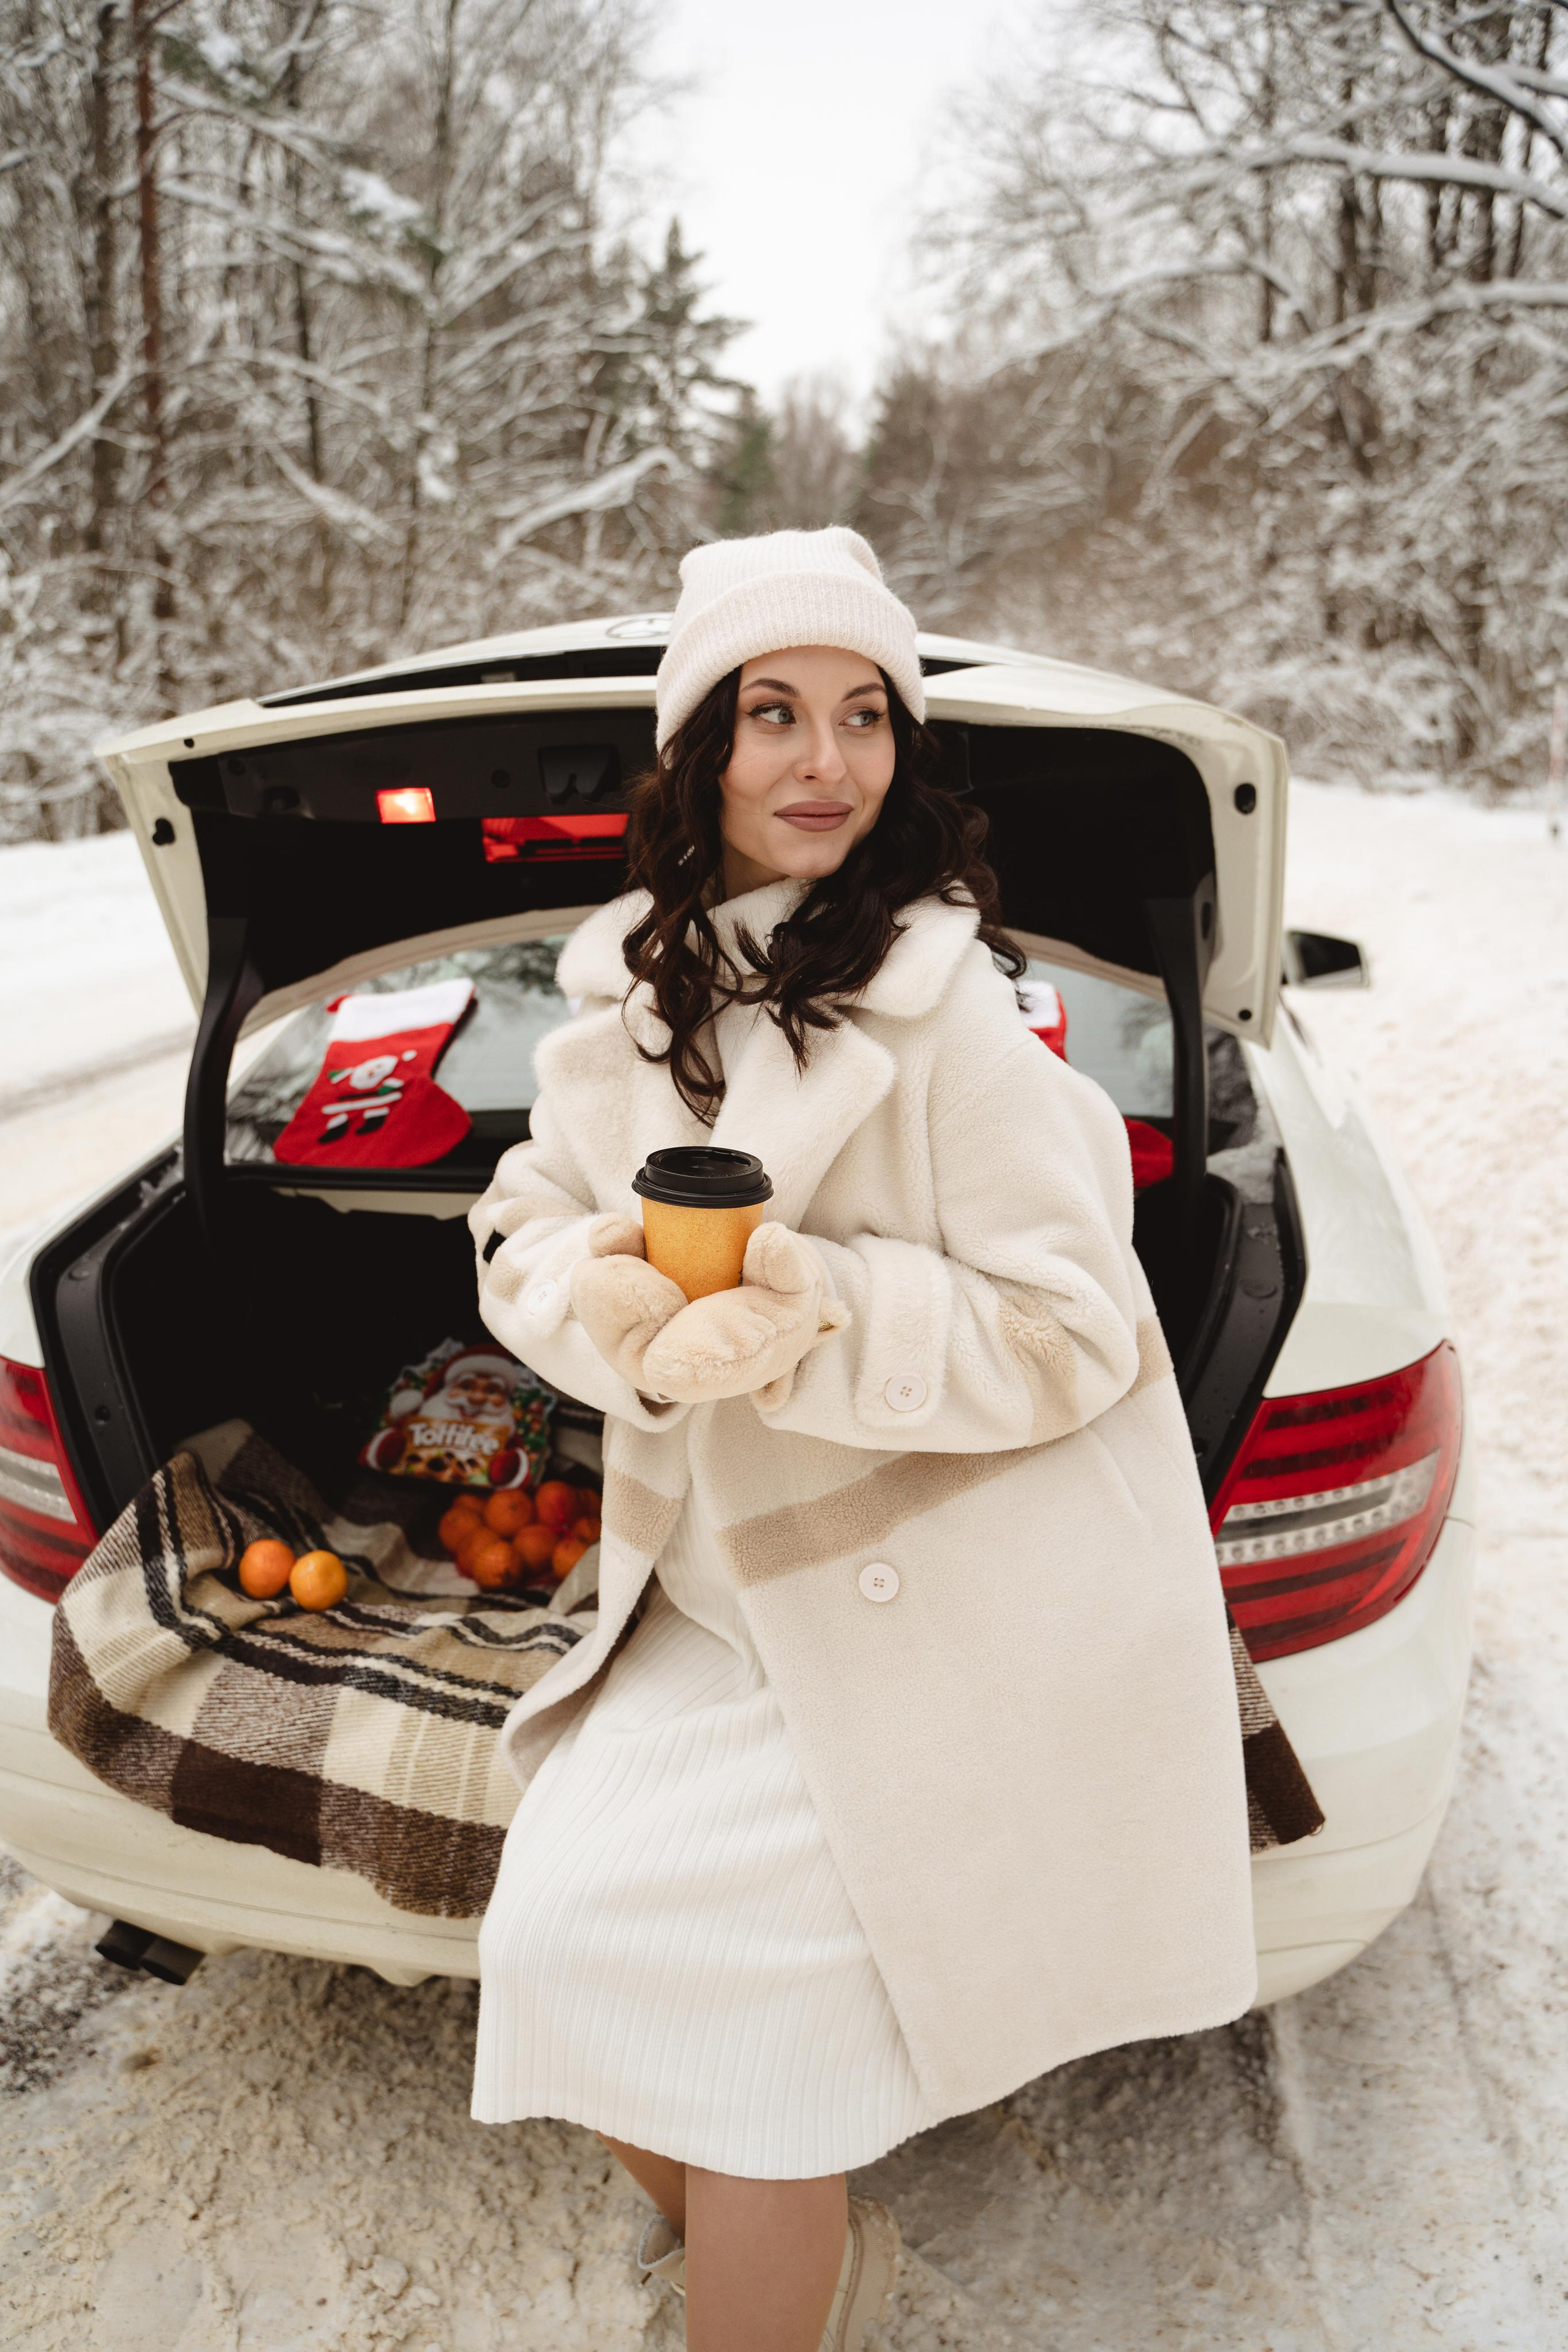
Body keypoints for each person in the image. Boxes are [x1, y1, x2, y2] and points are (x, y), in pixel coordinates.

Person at [468, 528, 1256, 2350]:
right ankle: (811, 2267)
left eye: (864, 715)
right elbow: (521, 1220)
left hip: (930, 1605)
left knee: (759, 2070)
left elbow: (1077, 1333)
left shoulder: (951, 1020)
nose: (826, 761)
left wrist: (817, 1315)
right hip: (711, 1595)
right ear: (699, 748)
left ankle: (786, 2285)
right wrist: (597, 1296)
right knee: (554, 1944)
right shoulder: (627, 1009)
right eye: (772, 712)